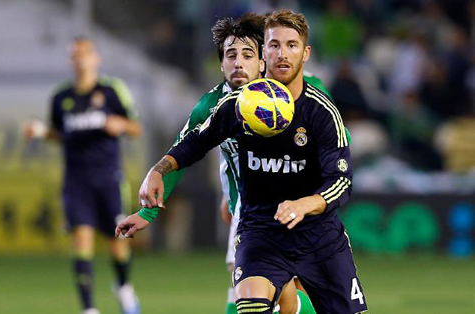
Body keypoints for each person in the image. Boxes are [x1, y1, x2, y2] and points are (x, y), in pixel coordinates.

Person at [120, 10, 367, 314]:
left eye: (246, 54)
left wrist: (306, 201)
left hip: (314, 227)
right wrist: (155, 179)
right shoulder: (228, 105)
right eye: (231, 55)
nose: (239, 62)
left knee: (292, 303)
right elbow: (190, 146)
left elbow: (340, 169)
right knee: (247, 299)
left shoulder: (317, 104)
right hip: (256, 223)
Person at [24, 37, 143, 314]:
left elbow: (136, 128)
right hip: (77, 181)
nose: (79, 60)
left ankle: (123, 287)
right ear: (70, 61)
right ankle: (88, 308)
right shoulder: (61, 97)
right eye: (74, 56)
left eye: (84, 54)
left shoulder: (112, 91)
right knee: (82, 240)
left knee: (118, 244)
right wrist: (41, 132)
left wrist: (122, 124)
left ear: (95, 58)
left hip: (109, 178)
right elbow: (60, 134)